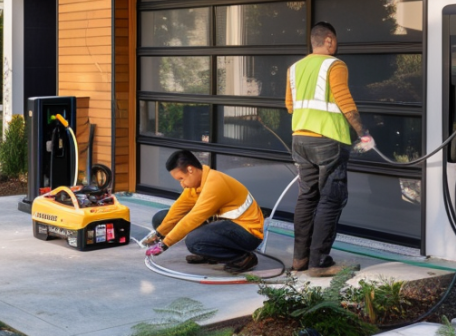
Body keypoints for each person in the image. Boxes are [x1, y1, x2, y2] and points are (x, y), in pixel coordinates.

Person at [284, 21, 374, 277]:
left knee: (307, 196)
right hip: (328, 140)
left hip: (300, 140)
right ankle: (319, 263)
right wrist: (363, 133)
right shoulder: (335, 65)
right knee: (331, 199)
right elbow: (344, 100)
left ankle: (300, 259)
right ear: (329, 40)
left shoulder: (294, 68)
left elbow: (290, 106)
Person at [139, 150, 265, 274]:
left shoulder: (215, 183)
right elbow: (177, 210)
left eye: (181, 179)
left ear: (190, 170)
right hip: (225, 226)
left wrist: (164, 244)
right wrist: (159, 235)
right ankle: (210, 253)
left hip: (248, 234)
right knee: (161, 218)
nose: (182, 184)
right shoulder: (195, 185)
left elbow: (193, 218)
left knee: (194, 241)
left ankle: (243, 258)